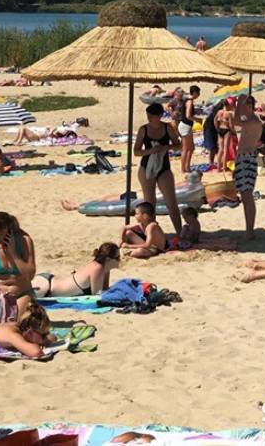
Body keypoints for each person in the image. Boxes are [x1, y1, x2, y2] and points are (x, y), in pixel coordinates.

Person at [132, 102, 182, 236]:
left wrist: (167, 148)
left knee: (171, 201)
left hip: (163, 167)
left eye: (151, 116)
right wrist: (151, 151)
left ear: (159, 116)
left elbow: (179, 145)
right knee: (149, 204)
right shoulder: (144, 129)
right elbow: (136, 151)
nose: (149, 118)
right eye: (148, 116)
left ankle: (180, 232)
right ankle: (151, 234)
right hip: (146, 166)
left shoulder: (168, 128)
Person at [0, 211, 36, 320]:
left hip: (21, 293)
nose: (0, 241)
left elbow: (30, 275)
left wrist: (14, 254)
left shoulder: (24, 241)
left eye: (2, 236)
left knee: (13, 325)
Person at [32, 242, 120, 297]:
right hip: (46, 288)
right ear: (108, 260)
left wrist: (107, 271)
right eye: (117, 257)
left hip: (48, 281)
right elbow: (97, 295)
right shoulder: (97, 268)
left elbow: (105, 289)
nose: (120, 260)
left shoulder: (102, 268)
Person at [233, 95, 260, 240]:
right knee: (245, 195)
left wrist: (238, 104)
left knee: (247, 196)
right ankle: (249, 229)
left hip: (247, 159)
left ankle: (250, 230)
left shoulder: (253, 122)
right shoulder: (250, 120)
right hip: (244, 159)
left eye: (246, 104)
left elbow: (236, 121)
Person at [177, 85, 200, 174]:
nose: (198, 95)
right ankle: (184, 168)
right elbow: (188, 116)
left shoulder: (187, 100)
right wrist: (197, 119)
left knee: (190, 148)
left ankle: (187, 167)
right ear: (194, 93)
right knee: (186, 149)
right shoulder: (189, 101)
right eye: (198, 93)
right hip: (185, 126)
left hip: (186, 126)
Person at [214, 98, 235, 172]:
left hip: (220, 129)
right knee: (225, 149)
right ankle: (224, 167)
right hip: (226, 130)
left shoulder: (219, 112)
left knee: (220, 149)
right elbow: (231, 125)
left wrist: (217, 128)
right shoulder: (228, 113)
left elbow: (215, 120)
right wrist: (234, 132)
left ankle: (218, 167)